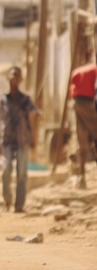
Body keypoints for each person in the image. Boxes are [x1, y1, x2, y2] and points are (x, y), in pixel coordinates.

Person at [0, 66, 40, 212]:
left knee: (21, 173)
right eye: (12, 76)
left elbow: (34, 116)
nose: (14, 79)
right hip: (7, 139)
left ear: (20, 79)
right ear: (8, 78)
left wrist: (34, 138)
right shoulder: (2, 99)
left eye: (17, 76)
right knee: (5, 169)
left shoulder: (25, 100)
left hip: (22, 139)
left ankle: (19, 205)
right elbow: (1, 120)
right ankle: (6, 199)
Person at [69, 59, 97, 189]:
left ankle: (82, 177)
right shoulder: (94, 70)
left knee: (83, 140)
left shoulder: (78, 71)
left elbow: (72, 87)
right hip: (88, 104)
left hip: (76, 103)